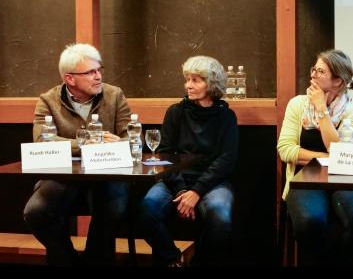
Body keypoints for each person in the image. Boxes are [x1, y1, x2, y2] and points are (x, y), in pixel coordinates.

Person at [23, 43, 132, 266]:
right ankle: (68, 260)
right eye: (90, 72)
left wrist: (119, 143)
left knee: (113, 208)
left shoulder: (114, 95)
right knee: (36, 212)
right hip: (66, 175)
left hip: (107, 172)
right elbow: (42, 140)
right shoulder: (48, 100)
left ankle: (96, 261)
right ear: (70, 79)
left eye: (99, 70)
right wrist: (85, 145)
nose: (98, 76)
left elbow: (132, 138)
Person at [277, 49, 353, 266]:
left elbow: (341, 153)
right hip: (305, 181)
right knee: (310, 222)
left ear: (338, 82)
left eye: (320, 71)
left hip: (344, 180)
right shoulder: (298, 104)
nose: (312, 75)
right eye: (314, 69)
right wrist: (328, 156)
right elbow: (286, 150)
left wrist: (322, 109)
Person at [140, 55, 238, 266]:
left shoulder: (226, 116)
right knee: (148, 209)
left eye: (196, 80)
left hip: (212, 183)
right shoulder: (175, 112)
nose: (188, 85)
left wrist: (197, 192)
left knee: (220, 218)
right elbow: (165, 154)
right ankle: (173, 258)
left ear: (211, 84)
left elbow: (226, 160)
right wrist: (182, 191)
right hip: (175, 181)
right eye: (187, 79)